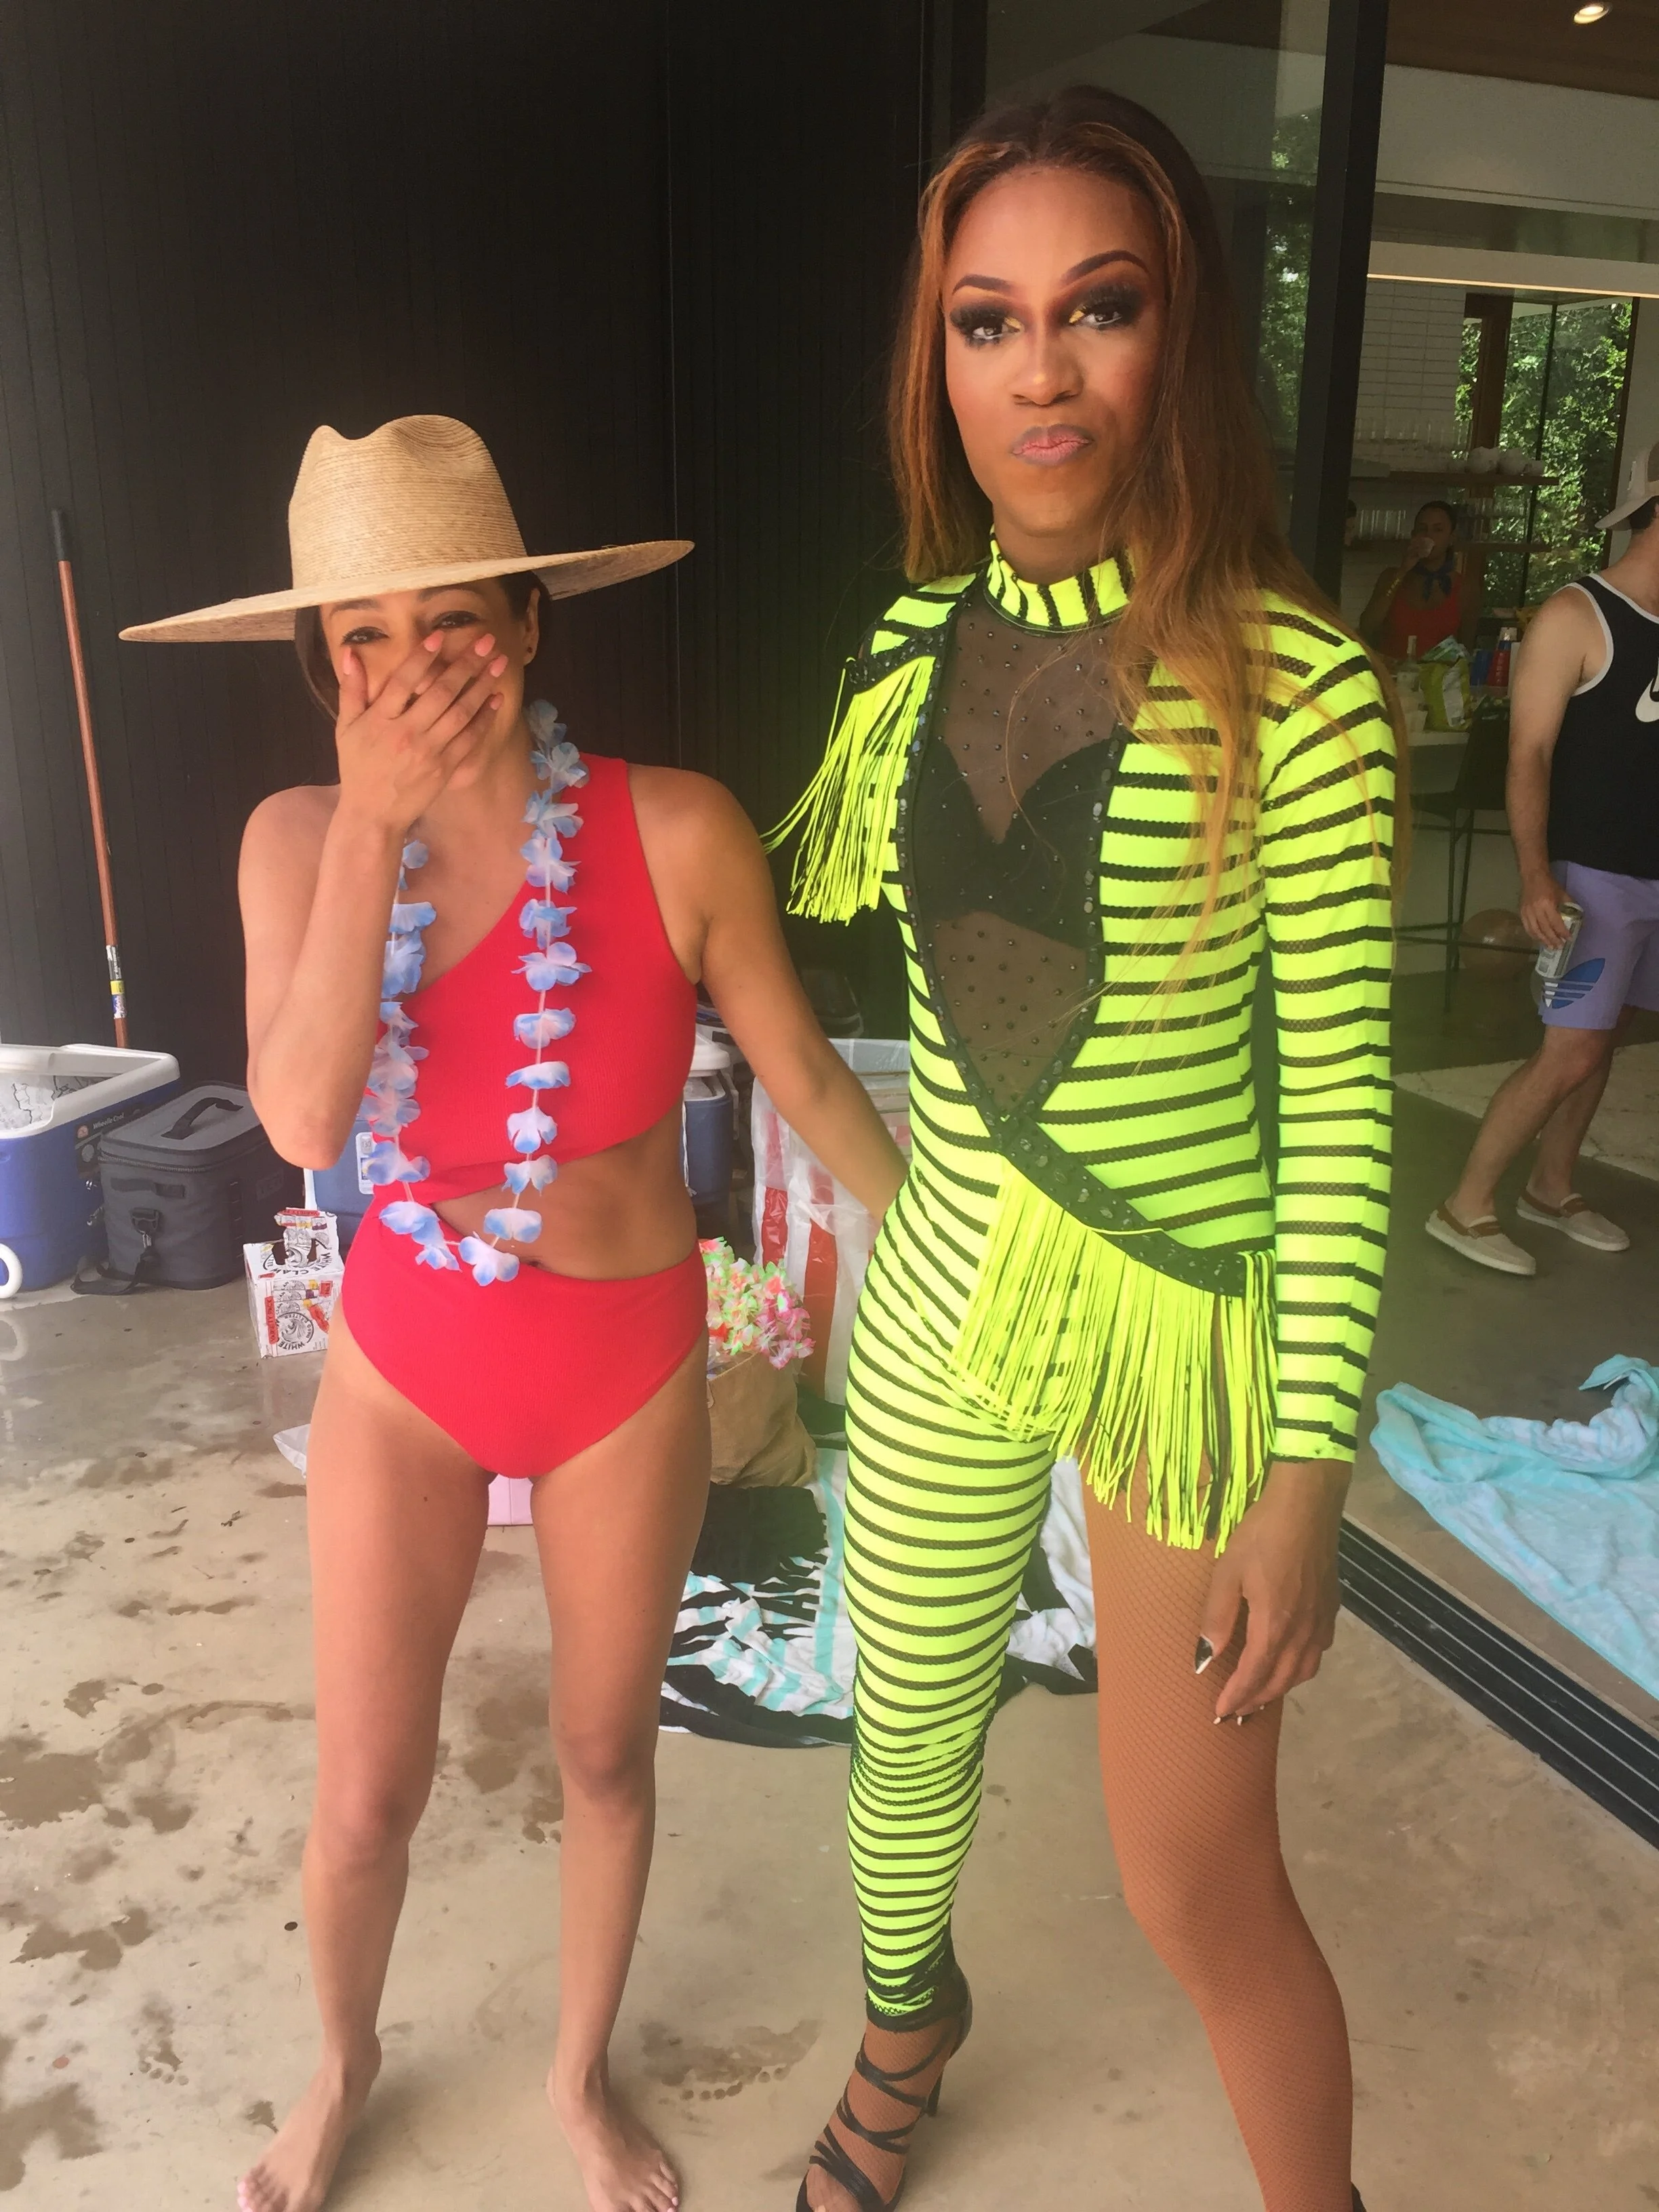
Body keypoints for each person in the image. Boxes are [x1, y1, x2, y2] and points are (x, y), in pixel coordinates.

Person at [119, 415, 907, 2212]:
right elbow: (308, 1122)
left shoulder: (680, 827)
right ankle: (340, 2067)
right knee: (364, 1796)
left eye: (453, 620)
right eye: (365, 638)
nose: (414, 671)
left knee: (606, 1751)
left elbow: (807, 1079)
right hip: (407, 1365)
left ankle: (576, 2077)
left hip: (622, 1368)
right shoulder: (298, 835)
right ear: (323, 667)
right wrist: (374, 835)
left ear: (532, 624)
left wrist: (966, 1255)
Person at [769, 88, 1391, 2212]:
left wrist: (1305, 1468)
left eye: (1097, 309)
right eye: (986, 320)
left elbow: (1332, 1126)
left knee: (1192, 1872)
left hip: (1182, 1326)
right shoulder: (903, 647)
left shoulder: (1297, 687)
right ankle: (903, 2019)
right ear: (936, 364)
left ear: (1176, 335)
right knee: (899, 1734)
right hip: (945, 1282)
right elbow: (939, 1028)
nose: (1040, 369)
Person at [1429, 438, 1659, 1275]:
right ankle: (1465, 1205)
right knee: (1569, 1046)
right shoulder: (1575, 616)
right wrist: (1534, 874)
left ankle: (1551, 1186)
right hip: (1590, 877)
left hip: (1653, 874)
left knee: (1609, 1038)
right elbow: (1527, 754)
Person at [1359, 497, 1478, 656]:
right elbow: (1367, 628)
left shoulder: (1465, 589)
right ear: (1414, 535)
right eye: (1423, 529)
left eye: (1438, 530)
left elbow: (1466, 650)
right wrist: (1402, 571)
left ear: (1452, 538)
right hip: (1391, 675)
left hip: (1439, 678)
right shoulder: (1391, 577)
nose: (1429, 536)